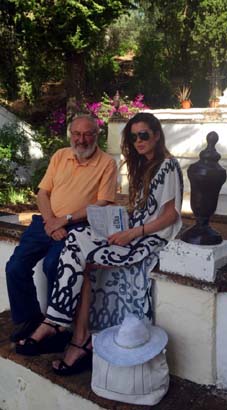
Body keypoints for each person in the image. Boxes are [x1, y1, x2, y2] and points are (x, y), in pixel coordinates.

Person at [16, 112, 183, 376]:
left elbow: (170, 216)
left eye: (144, 135)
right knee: (76, 239)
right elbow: (136, 209)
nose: (138, 141)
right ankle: (66, 328)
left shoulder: (168, 165)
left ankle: (62, 328)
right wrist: (118, 225)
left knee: (82, 257)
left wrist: (131, 233)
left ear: (157, 135)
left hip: (150, 238)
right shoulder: (143, 166)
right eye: (133, 136)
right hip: (133, 230)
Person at [6, 114, 118, 343]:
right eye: (76, 134)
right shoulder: (60, 156)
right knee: (15, 267)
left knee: (53, 265)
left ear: (97, 136)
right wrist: (50, 222)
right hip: (48, 221)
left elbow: (102, 203)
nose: (81, 139)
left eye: (87, 134)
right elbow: (42, 193)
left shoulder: (107, 163)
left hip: (77, 226)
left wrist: (64, 220)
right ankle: (30, 319)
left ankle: (57, 325)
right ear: (70, 135)